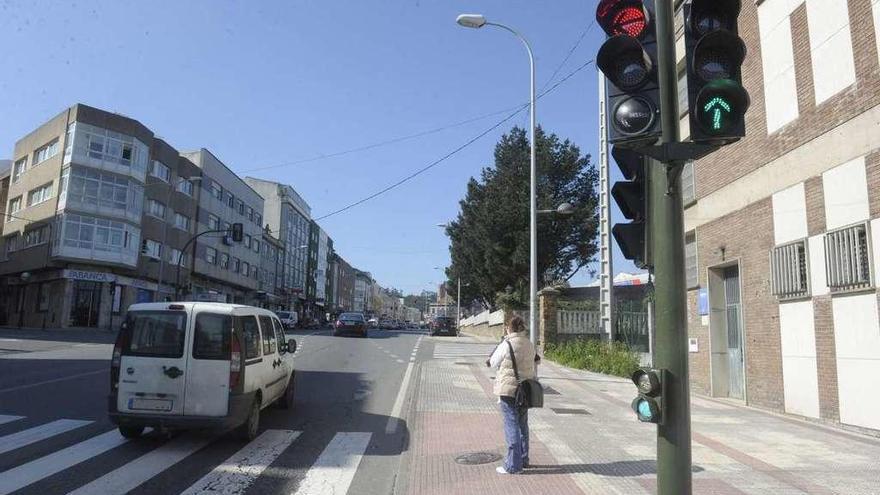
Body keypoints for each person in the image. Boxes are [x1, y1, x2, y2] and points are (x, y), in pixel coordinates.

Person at [486, 315, 539, 474]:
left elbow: (493, 363)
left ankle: (513, 466)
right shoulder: (529, 344)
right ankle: (523, 459)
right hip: (525, 390)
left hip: (509, 390)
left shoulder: (506, 344)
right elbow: (536, 362)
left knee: (511, 425)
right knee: (523, 425)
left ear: (509, 328)